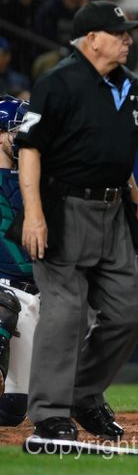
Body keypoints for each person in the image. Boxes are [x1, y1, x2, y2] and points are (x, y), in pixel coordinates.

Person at [15, 1, 138, 442]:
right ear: (92, 38)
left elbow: (117, 157)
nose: (128, 38)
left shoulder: (133, 88)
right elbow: (31, 148)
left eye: (128, 31)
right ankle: (50, 414)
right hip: (63, 206)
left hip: (113, 212)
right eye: (119, 32)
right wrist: (34, 214)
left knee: (128, 313)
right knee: (65, 313)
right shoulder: (57, 83)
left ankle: (82, 393)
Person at [0, 95, 39, 427]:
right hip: (1, 294)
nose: (24, 138)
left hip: (34, 296)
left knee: (12, 411)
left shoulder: (37, 181)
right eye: (16, 131)